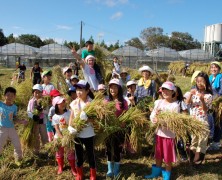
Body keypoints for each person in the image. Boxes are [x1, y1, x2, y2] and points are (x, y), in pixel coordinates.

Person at [145, 81, 179, 180]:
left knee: (167, 157)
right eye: (163, 90)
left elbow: (173, 122)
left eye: (167, 90)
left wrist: (161, 121)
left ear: (173, 92)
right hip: (159, 134)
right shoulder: (158, 102)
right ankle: (156, 172)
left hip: (168, 135)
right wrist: (154, 119)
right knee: (158, 154)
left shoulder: (175, 106)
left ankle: (167, 176)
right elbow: (152, 115)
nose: (165, 92)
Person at [68, 80, 96, 180]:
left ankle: (93, 174)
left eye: (81, 90)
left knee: (90, 154)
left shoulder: (91, 103)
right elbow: (71, 116)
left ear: (87, 91)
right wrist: (70, 127)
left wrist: (87, 119)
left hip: (88, 133)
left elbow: (95, 119)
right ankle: (80, 173)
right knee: (78, 154)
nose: (78, 92)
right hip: (77, 133)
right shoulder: (74, 102)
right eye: (77, 90)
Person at [186, 72, 213, 165]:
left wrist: (202, 100)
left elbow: (206, 110)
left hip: (202, 121)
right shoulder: (194, 92)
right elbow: (187, 103)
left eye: (201, 81)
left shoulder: (208, 96)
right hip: (193, 121)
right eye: (197, 81)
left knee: (202, 141)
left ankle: (196, 161)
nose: (199, 83)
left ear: (206, 82)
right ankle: (196, 158)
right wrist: (190, 94)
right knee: (193, 141)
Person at [105, 78, 128, 178]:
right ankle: (110, 169)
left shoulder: (123, 102)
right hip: (108, 130)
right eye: (111, 87)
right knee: (109, 149)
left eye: (115, 87)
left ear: (119, 88)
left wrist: (123, 122)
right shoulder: (106, 101)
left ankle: (116, 169)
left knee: (117, 149)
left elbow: (126, 115)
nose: (112, 89)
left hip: (119, 130)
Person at [52, 96, 77, 176]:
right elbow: (57, 128)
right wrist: (62, 138)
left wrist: (68, 137)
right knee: (59, 152)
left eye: (63, 102)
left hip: (69, 136)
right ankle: (60, 167)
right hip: (59, 137)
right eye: (60, 103)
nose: (63, 104)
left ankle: (73, 168)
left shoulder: (69, 112)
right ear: (56, 106)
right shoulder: (55, 117)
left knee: (70, 152)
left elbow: (73, 122)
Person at [0, 87, 23, 166]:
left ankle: (18, 159)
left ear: (14, 97)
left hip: (11, 128)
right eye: (8, 95)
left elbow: (14, 118)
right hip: (2, 129)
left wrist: (22, 121)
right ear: (4, 95)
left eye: (12, 96)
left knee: (17, 144)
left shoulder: (14, 107)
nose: (10, 97)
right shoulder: (0, 104)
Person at [27, 84, 48, 155]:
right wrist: (33, 116)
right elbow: (28, 112)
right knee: (36, 137)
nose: (37, 94)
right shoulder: (31, 101)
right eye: (36, 92)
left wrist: (42, 110)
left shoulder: (44, 101)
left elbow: (47, 111)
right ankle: (36, 151)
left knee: (44, 136)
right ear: (33, 93)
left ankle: (47, 151)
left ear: (42, 92)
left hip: (42, 122)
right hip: (34, 122)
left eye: (39, 92)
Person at [208, 61, 222, 150]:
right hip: (212, 104)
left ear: (219, 69)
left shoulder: (220, 78)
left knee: (218, 123)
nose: (213, 69)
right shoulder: (210, 78)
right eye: (212, 67)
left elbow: (221, 92)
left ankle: (216, 143)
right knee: (212, 121)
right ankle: (213, 141)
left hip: (218, 104)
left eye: (215, 67)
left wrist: (216, 101)